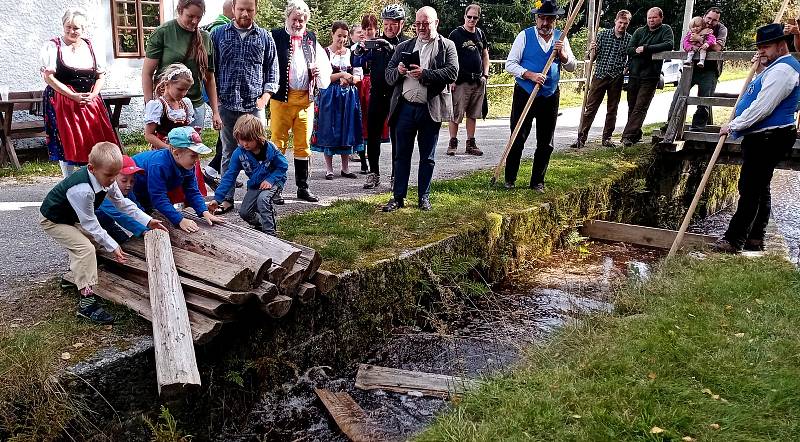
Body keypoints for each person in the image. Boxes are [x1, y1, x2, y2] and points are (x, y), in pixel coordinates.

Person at [40, 142, 165, 324]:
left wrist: (147, 220)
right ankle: (87, 305)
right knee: (85, 249)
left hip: (71, 217)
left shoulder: (107, 179)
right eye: (109, 175)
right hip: (54, 220)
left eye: (116, 175)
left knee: (93, 244)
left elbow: (123, 204)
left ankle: (73, 278)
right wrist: (113, 245)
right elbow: (90, 223)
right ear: (91, 168)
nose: (112, 180)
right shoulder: (82, 190)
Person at [714, 23, 800, 253]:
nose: (761, 51)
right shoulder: (775, 67)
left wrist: (733, 125)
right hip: (763, 136)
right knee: (760, 187)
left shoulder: (784, 70)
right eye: (759, 46)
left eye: (766, 46)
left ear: (782, 46)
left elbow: (763, 107)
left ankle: (734, 240)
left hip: (770, 137)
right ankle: (755, 238)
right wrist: (761, 67)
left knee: (750, 188)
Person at [382, 6, 458, 212]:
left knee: (428, 157)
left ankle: (424, 197)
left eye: (426, 24)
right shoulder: (404, 46)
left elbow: (452, 72)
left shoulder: (447, 46)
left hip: (429, 108)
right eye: (418, 24)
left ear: (436, 23)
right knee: (401, 155)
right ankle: (398, 197)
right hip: (404, 108)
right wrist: (398, 71)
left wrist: (426, 74)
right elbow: (388, 76)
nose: (421, 28)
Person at [213, 0, 280, 213]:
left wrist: (265, 98)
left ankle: (265, 194)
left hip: (254, 104)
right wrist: (216, 103)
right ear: (233, 9)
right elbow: (209, 71)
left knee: (263, 151)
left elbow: (272, 70)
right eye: (241, 9)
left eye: (249, 10)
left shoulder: (264, 37)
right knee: (228, 152)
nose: (245, 13)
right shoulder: (218, 35)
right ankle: (226, 198)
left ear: (255, 10)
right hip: (227, 104)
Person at [504, 0, 576, 191]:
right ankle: (509, 179)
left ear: (555, 20)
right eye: (542, 18)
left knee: (546, 141)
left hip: (550, 95)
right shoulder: (524, 36)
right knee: (518, 136)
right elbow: (510, 64)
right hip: (525, 93)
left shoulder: (562, 38)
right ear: (537, 18)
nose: (545, 23)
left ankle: (537, 182)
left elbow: (572, 66)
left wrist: (563, 56)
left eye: (549, 19)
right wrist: (530, 75)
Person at [40, 8, 120, 178]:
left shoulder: (92, 47)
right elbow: (48, 78)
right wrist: (71, 95)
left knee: (96, 139)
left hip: (90, 100)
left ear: (84, 29)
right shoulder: (53, 46)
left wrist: (93, 95)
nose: (71, 31)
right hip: (62, 100)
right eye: (68, 26)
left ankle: (98, 177)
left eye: (76, 28)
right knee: (66, 141)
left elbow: (100, 76)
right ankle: (68, 180)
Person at [270, 0, 332, 203]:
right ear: (287, 18)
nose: (298, 23)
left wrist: (317, 72)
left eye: (302, 20)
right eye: (295, 19)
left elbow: (324, 67)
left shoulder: (311, 38)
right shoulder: (275, 36)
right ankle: (275, 188)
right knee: (277, 144)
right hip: (281, 99)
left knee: (303, 145)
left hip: (305, 100)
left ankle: (302, 188)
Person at [142, 0, 222, 131]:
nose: (195, 21)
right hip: (167, 107)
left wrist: (216, 112)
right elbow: (147, 73)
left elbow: (209, 78)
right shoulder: (163, 33)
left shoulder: (205, 37)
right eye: (190, 16)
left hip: (195, 105)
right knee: (167, 148)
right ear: (179, 11)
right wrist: (150, 104)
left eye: (199, 17)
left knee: (191, 149)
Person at [354, 4, 408, 189]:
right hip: (377, 93)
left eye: (393, 24)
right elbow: (356, 61)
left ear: (401, 24)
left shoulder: (407, 43)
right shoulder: (376, 42)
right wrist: (359, 51)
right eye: (385, 24)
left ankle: (395, 175)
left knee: (397, 135)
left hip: (398, 94)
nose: (388, 28)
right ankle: (373, 173)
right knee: (373, 134)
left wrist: (391, 48)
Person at [132, 127, 223, 233]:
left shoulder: (188, 165)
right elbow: (158, 197)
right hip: (134, 187)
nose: (197, 160)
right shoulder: (159, 165)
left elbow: (192, 191)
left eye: (198, 155)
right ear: (176, 153)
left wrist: (204, 211)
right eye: (193, 155)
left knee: (153, 211)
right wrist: (179, 220)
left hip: (149, 188)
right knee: (141, 216)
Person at [210, 115, 288, 236]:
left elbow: (283, 166)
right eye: (241, 140)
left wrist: (271, 180)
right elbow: (229, 177)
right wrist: (217, 198)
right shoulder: (239, 154)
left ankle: (271, 234)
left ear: (258, 137)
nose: (244, 144)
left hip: (274, 180)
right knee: (245, 212)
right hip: (256, 183)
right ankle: (261, 224)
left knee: (263, 200)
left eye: (248, 140)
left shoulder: (270, 149)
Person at [143, 63, 208, 201]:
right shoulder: (157, 105)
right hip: (164, 149)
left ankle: (192, 208)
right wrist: (169, 149)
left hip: (185, 150)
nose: (183, 93)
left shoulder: (186, 103)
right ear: (167, 84)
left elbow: (188, 129)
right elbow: (148, 135)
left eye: (186, 90)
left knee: (189, 182)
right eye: (180, 89)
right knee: (167, 184)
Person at [311, 21, 365, 179]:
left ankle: (345, 168)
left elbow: (358, 75)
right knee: (329, 128)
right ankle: (329, 168)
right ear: (332, 34)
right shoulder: (325, 53)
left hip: (348, 95)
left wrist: (349, 79)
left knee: (346, 127)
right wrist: (341, 75)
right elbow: (324, 76)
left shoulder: (351, 53)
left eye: (345, 36)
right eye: (339, 36)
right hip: (329, 95)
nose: (341, 39)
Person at [571, 9, 631, 149]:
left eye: (625, 24)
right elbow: (590, 57)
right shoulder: (603, 35)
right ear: (616, 21)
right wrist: (591, 51)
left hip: (616, 77)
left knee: (612, 109)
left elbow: (631, 57)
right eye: (620, 22)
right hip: (599, 75)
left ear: (628, 24)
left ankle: (607, 138)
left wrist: (626, 68)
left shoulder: (629, 39)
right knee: (590, 107)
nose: (622, 26)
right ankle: (581, 138)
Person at [621, 7, 673, 147]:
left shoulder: (665, 30)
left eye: (654, 17)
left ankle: (627, 136)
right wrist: (640, 51)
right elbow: (630, 49)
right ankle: (636, 134)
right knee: (632, 105)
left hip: (650, 75)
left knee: (640, 106)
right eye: (649, 17)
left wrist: (646, 48)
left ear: (661, 18)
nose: (651, 20)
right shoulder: (639, 31)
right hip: (634, 73)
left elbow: (669, 44)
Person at [447, 3, 490, 156]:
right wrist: (451, 79)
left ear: (478, 18)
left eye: (475, 17)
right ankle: (452, 142)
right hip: (460, 81)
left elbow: (485, 55)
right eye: (469, 17)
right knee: (456, 113)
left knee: (473, 114)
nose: (472, 20)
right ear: (464, 16)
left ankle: (470, 143)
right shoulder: (456, 35)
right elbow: (449, 58)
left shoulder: (480, 34)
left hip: (477, 80)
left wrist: (485, 74)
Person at [201, 0, 235, 187]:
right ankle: (213, 170)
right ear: (233, 10)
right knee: (228, 133)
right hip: (219, 91)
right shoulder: (220, 30)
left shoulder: (213, 26)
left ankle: (218, 170)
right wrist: (219, 94)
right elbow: (216, 66)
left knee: (227, 132)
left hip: (216, 91)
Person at [95, 155, 149, 245]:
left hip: (108, 223)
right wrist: (143, 230)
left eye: (132, 181)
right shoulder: (101, 191)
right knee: (95, 249)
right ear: (113, 177)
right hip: (88, 224)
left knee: (125, 242)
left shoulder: (127, 190)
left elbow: (135, 207)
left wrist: (148, 222)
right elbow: (118, 215)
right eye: (124, 181)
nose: (129, 185)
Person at [687, 7, 727, 128]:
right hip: (692, 66)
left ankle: (697, 128)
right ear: (704, 16)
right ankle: (671, 123)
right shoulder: (697, 23)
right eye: (709, 18)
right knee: (679, 95)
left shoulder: (721, 29)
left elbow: (718, 48)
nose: (710, 22)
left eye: (714, 20)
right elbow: (687, 40)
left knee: (704, 100)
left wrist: (699, 39)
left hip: (710, 69)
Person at [351, 13, 380, 175]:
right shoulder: (358, 47)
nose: (367, 32)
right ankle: (363, 162)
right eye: (365, 29)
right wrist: (360, 51)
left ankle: (372, 161)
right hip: (361, 84)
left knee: (373, 123)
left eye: (370, 29)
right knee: (361, 121)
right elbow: (356, 64)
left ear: (376, 29)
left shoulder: (380, 43)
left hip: (374, 83)